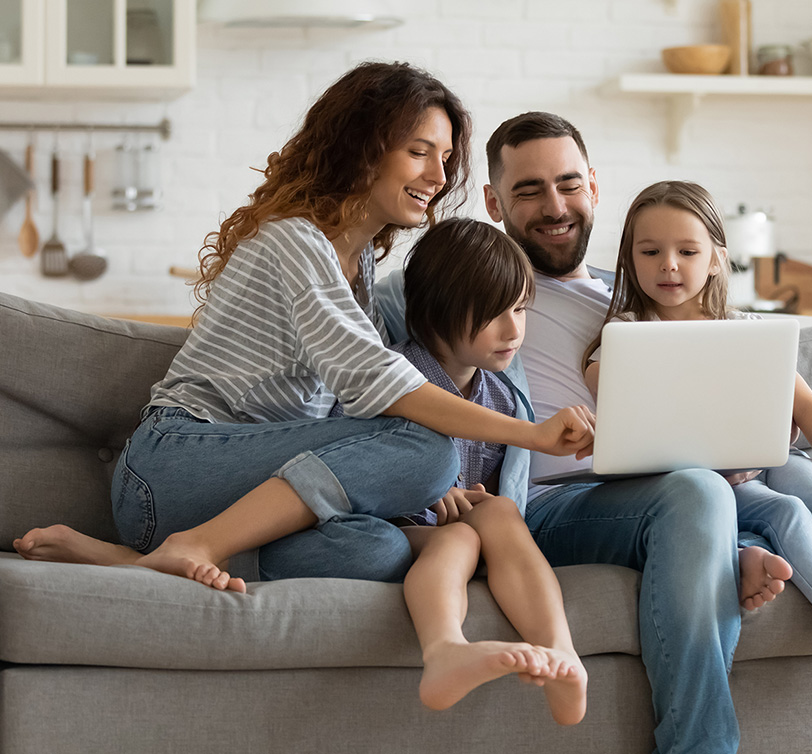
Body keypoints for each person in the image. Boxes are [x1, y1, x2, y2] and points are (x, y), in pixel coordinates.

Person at [13, 63, 594, 600]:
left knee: (381, 549)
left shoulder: (359, 267)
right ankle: (195, 544)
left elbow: (355, 419)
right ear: (363, 150)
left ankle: (133, 562)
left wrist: (408, 483)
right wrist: (533, 436)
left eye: (444, 157)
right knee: (429, 449)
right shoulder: (296, 241)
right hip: (173, 469)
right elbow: (381, 386)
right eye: (420, 152)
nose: (439, 177)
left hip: (247, 490)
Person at [469, 111, 812, 754]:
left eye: (568, 184)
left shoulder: (636, 298)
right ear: (494, 202)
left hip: (684, 490)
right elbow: (407, 372)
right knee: (701, 491)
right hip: (565, 503)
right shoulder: (481, 290)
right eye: (529, 190)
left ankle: (736, 549)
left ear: (595, 189)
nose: (555, 205)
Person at [582, 179, 812, 667]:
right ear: (630, 260)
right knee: (790, 513)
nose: (668, 264)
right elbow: (616, 409)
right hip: (710, 486)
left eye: (687, 251)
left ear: (716, 258)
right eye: (650, 251)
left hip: (771, 459)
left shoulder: (745, 329)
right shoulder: (626, 338)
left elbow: (809, 407)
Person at [378, 216, 586, 724]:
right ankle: (445, 649)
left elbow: (493, 485)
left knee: (500, 515)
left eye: (519, 309)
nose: (514, 330)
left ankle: (562, 654)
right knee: (462, 541)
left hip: (463, 524)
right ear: (435, 314)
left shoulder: (501, 396)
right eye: (493, 315)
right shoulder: (392, 379)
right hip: (396, 527)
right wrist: (425, 491)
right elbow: (353, 462)